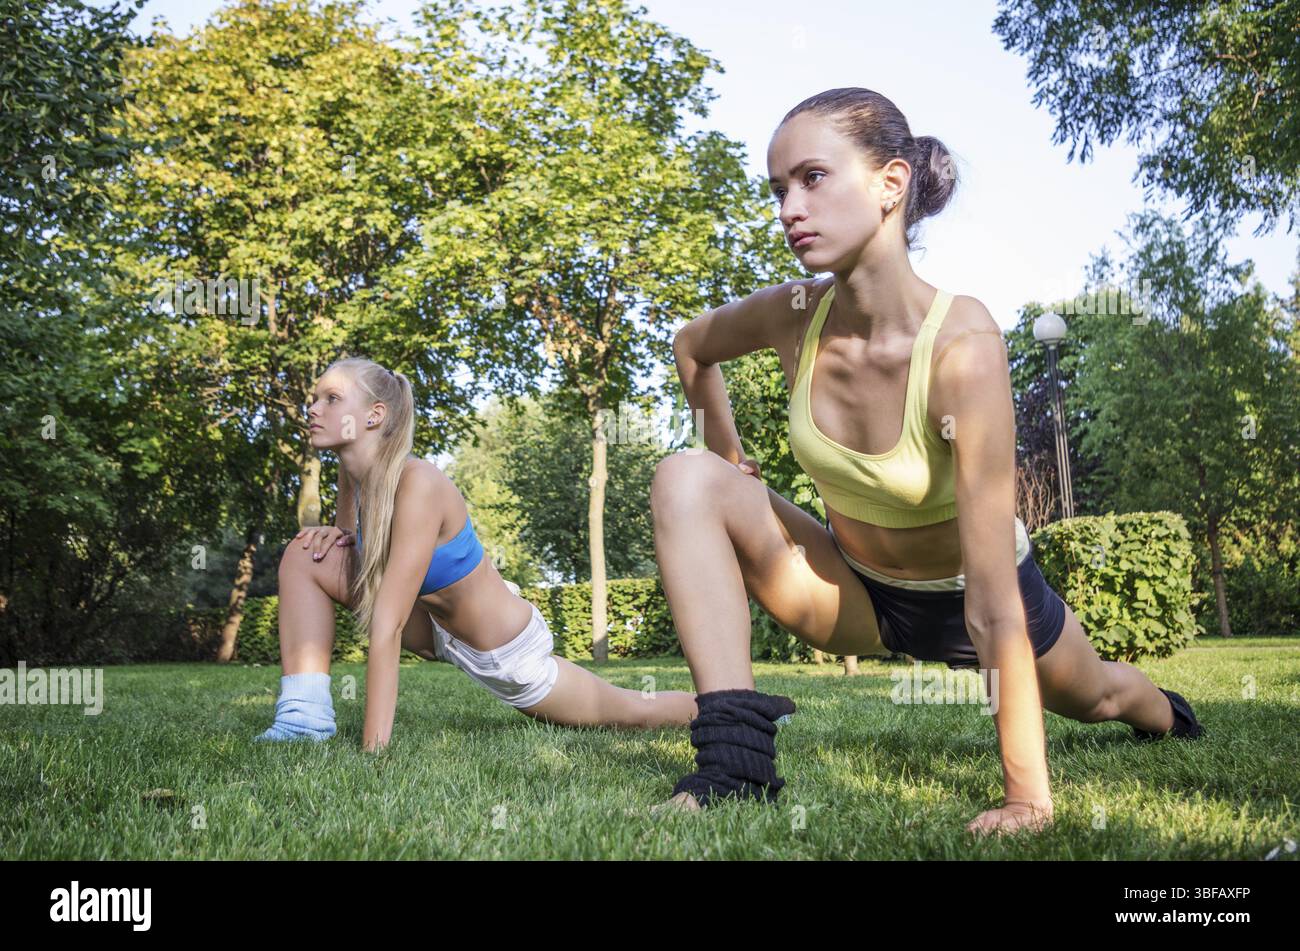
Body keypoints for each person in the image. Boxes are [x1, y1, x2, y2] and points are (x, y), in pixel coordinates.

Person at [650, 87, 1203, 836]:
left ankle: (1165, 713)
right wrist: (728, 457)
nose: (788, 208)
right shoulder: (793, 316)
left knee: (1100, 696)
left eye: (813, 178)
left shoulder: (962, 346)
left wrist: (1025, 799)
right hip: (853, 590)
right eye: (778, 189)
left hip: (975, 596)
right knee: (685, 477)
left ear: (892, 184)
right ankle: (735, 764)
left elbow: (993, 599)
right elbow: (693, 347)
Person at [256, 356, 697, 751]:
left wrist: (374, 752)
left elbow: (386, 626)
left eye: (331, 398)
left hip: (504, 652)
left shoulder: (419, 483)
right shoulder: (354, 475)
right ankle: (303, 720)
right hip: (432, 626)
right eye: (314, 398)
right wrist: (329, 535)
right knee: (304, 552)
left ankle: (742, 707)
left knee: (632, 712)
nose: (312, 408)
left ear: (374, 416)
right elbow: (351, 544)